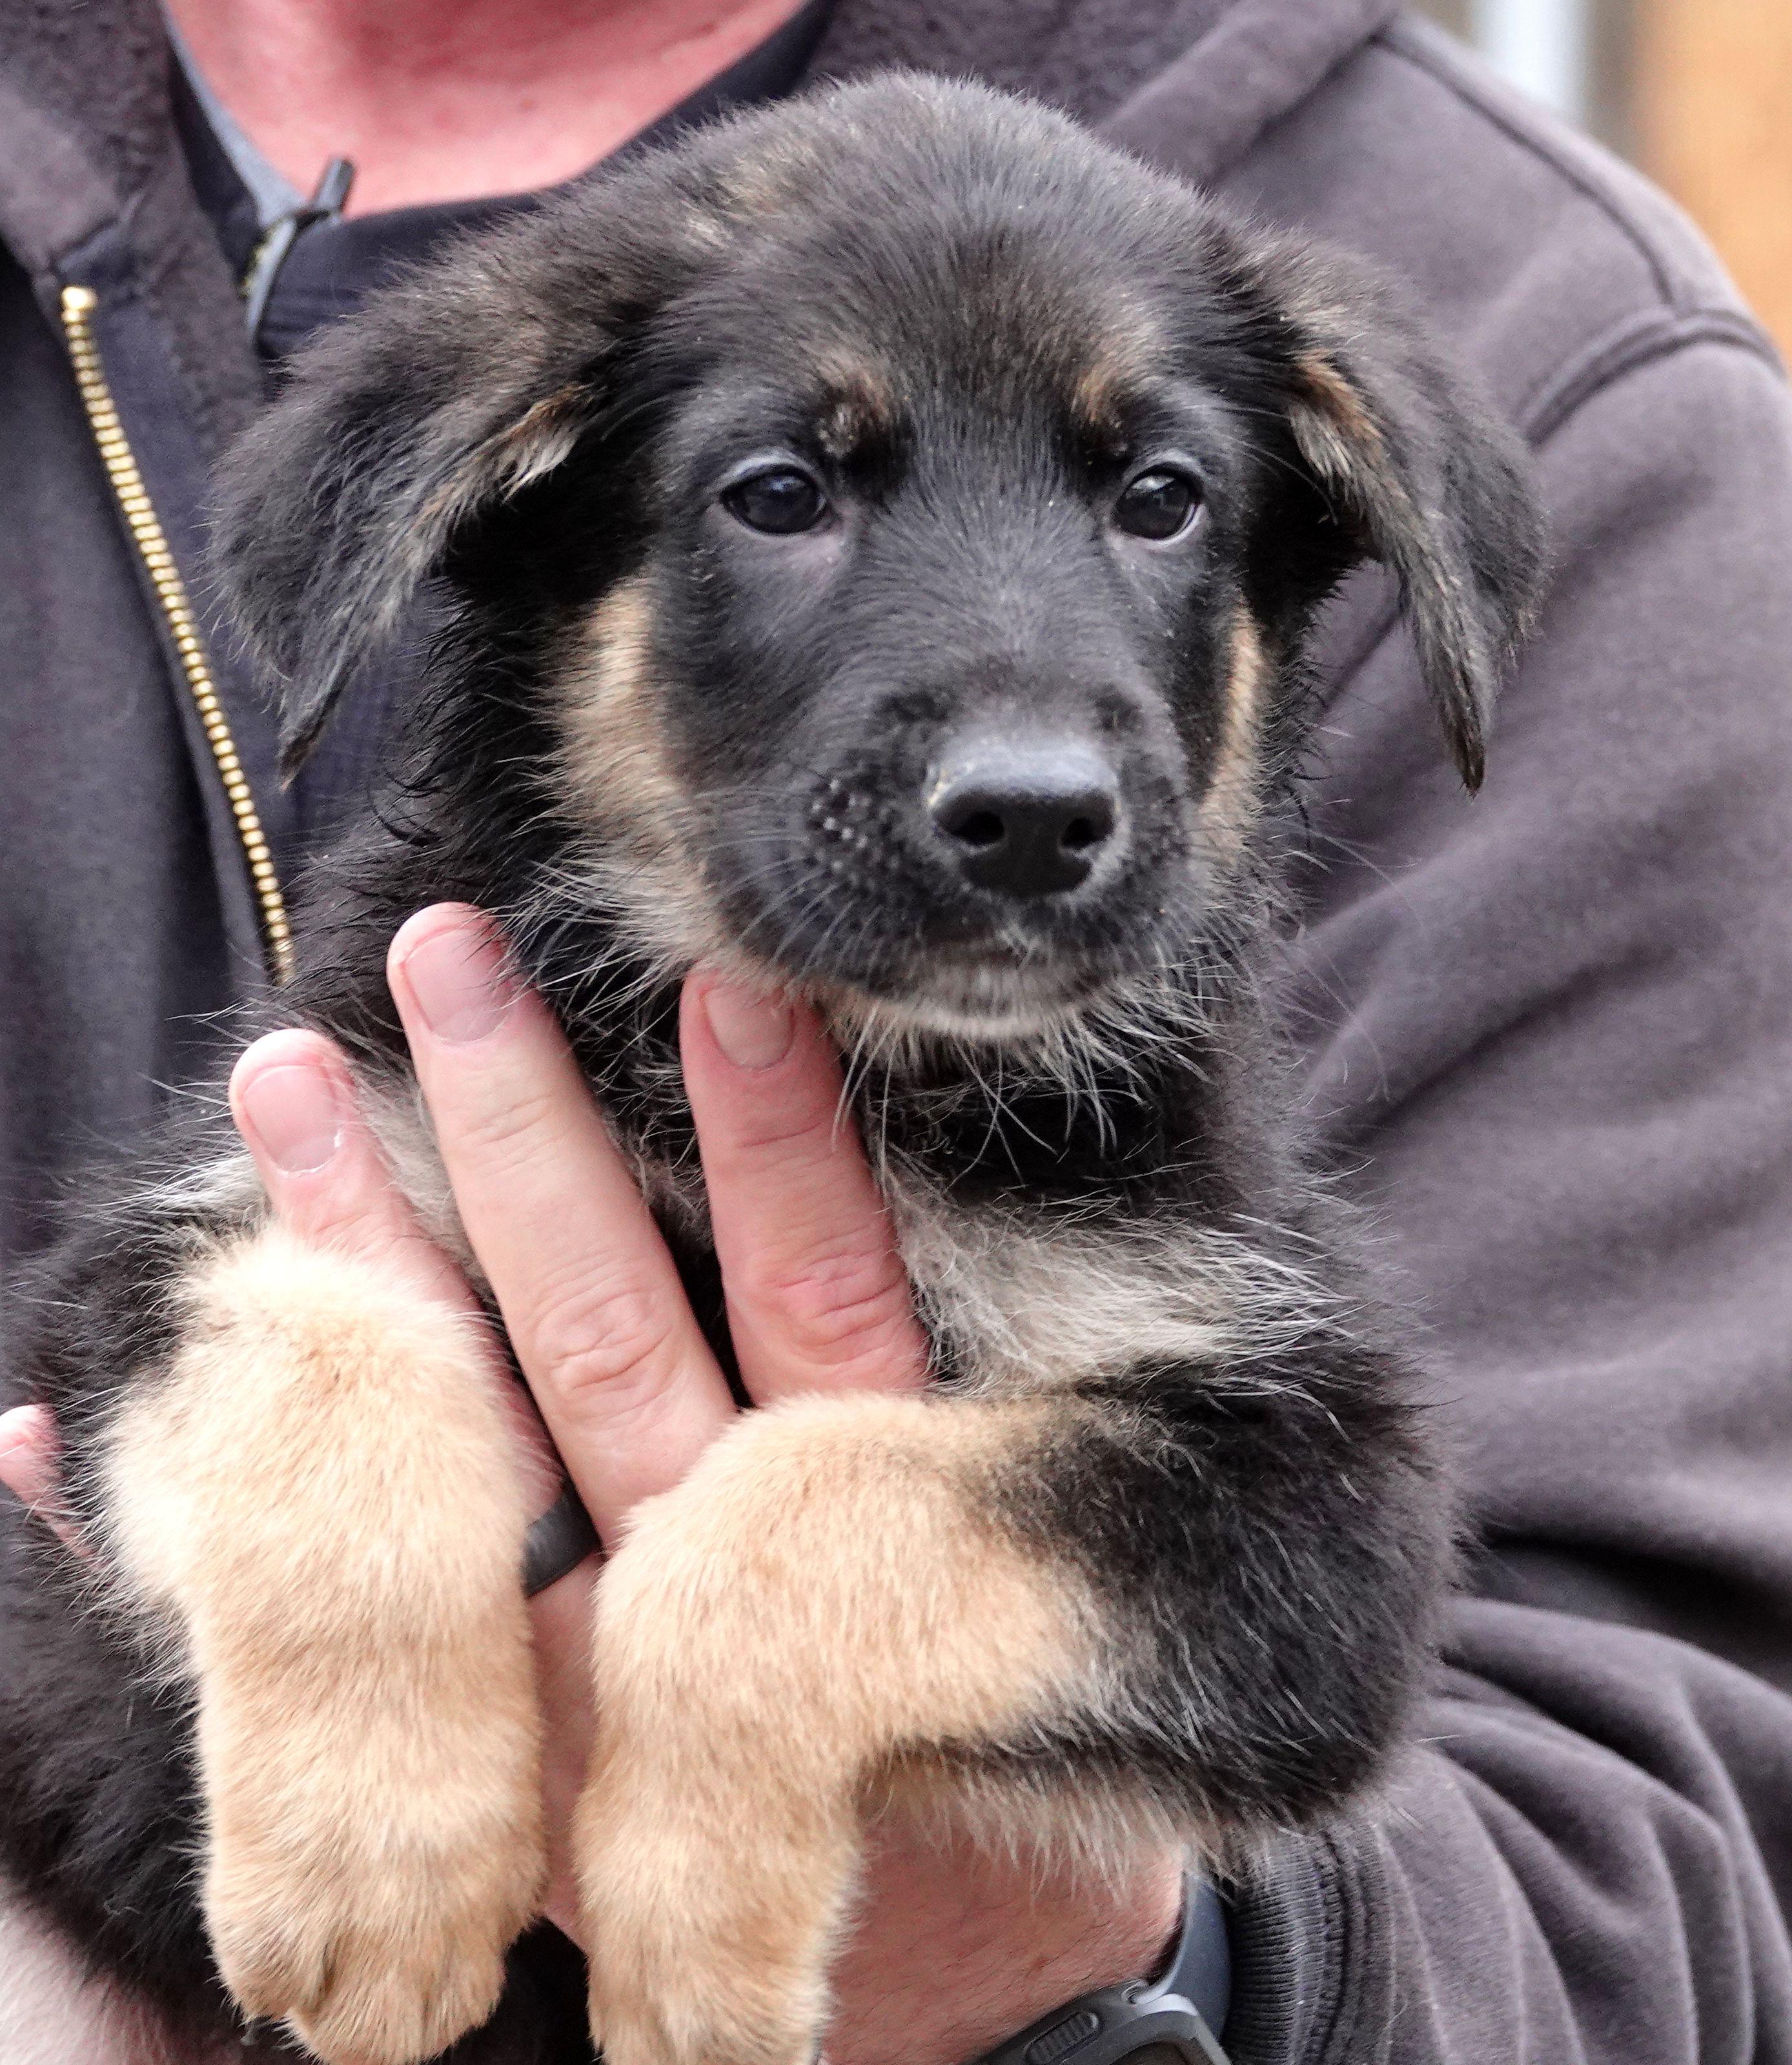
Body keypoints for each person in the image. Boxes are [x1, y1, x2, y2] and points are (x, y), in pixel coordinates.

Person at [3, 1, 1791, 2061]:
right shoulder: (423, 1005)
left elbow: (1410, 1681)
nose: (1030, 748)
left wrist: (1063, 1965)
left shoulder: (1582, 364)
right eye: (782, 494)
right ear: (509, 515)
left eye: (1153, 503)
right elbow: (151, 1349)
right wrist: (340, 1602)